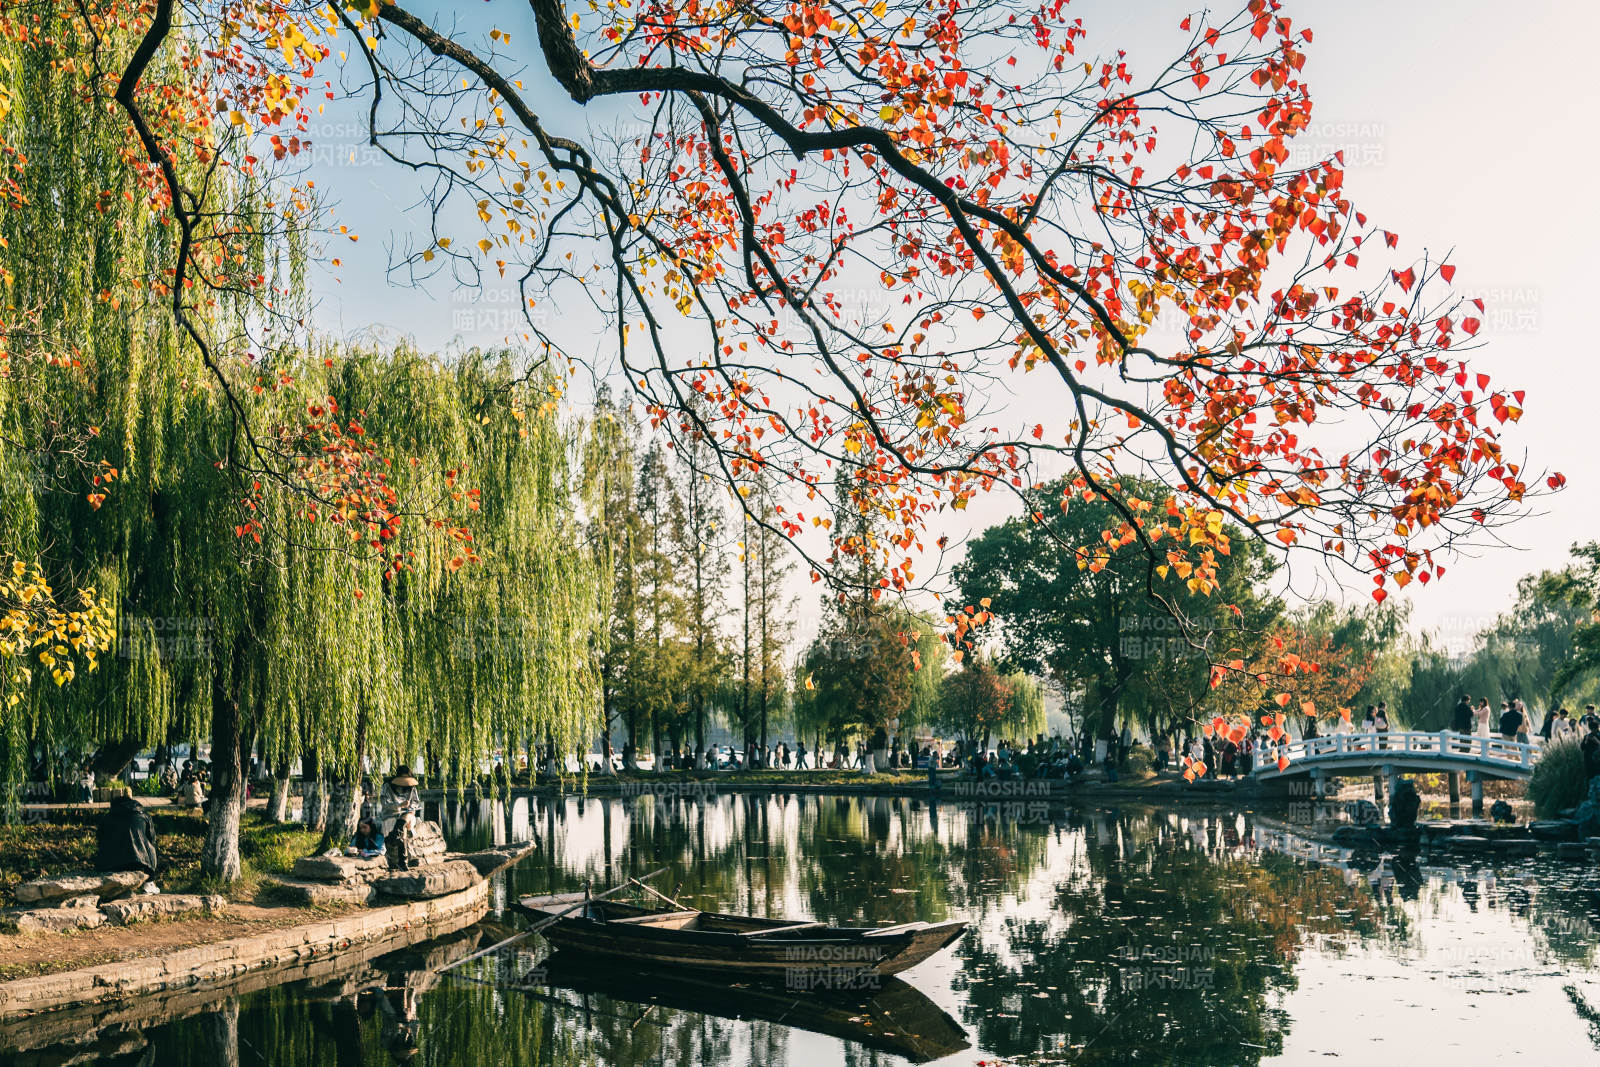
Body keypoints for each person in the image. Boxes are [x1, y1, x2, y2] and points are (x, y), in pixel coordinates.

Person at [96, 794, 160, 875]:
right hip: (141, 864)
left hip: (109, 865)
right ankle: (150, 881)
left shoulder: (107, 818)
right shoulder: (144, 816)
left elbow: (100, 839)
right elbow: (152, 839)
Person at [381, 765, 422, 870]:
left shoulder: (411, 787)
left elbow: (415, 802)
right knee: (402, 824)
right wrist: (399, 806)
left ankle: (395, 834)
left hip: (407, 815)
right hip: (391, 814)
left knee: (407, 816)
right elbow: (384, 804)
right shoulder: (387, 786)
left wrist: (410, 807)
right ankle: (403, 862)